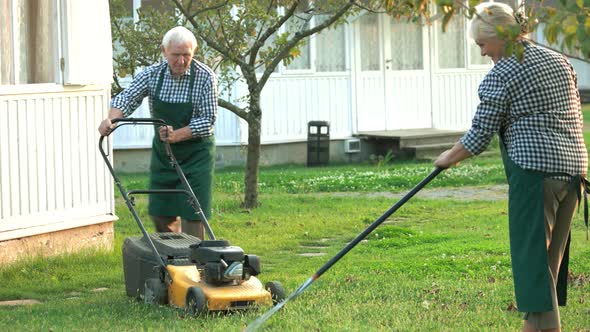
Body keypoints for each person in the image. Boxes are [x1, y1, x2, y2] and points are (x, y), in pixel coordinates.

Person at [434, 3, 587, 332]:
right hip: (574, 174)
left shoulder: (503, 73)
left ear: (498, 37)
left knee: (535, 270)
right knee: (547, 267)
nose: (483, 53)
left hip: (536, 177)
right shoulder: (559, 61)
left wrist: (446, 157)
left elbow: (477, 137)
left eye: (482, 45)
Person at [98, 26, 218, 240]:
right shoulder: (152, 75)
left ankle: (194, 262)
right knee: (161, 212)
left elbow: (207, 120)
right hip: (165, 155)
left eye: (186, 55)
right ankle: (172, 254)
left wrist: (177, 134)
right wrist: (112, 119)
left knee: (193, 212)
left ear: (194, 52)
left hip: (196, 154)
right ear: (164, 51)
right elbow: (127, 98)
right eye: (175, 55)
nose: (181, 61)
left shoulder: (205, 77)